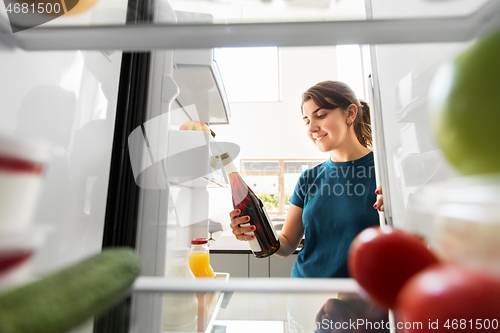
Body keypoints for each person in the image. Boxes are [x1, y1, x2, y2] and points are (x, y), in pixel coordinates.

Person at [230, 80, 383, 278]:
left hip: (362, 299)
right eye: (307, 121)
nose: (311, 128)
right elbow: (285, 245)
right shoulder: (309, 179)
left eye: (320, 115)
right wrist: (255, 232)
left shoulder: (383, 173)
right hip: (305, 293)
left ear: (350, 113)